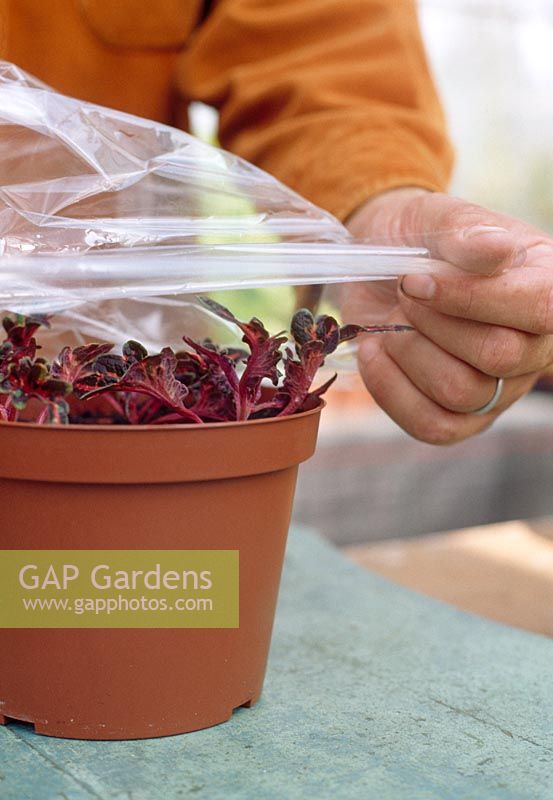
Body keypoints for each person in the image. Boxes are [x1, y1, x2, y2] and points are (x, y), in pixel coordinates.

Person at [2, 0, 552, 444]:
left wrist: (377, 207)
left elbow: (323, 46)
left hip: (107, 419)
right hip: (82, 387)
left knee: (148, 580)